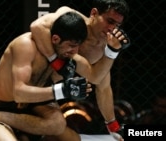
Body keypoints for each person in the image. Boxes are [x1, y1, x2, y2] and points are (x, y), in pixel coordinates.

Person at [0, 11, 123, 141]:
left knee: (62, 128)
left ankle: (6, 124)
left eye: (78, 45)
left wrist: (112, 51)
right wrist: (62, 90)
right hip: (0, 98)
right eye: (71, 45)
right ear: (55, 38)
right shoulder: (26, 45)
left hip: (29, 106)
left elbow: (97, 77)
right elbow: (19, 93)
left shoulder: (69, 54)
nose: (75, 51)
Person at [29, 0, 130, 140]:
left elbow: (103, 87)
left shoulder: (103, 49)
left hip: (45, 94)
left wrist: (112, 125)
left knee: (62, 135)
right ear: (94, 13)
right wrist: (57, 62)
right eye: (109, 21)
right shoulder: (70, 18)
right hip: (26, 78)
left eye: (116, 25)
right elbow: (37, 26)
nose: (111, 28)